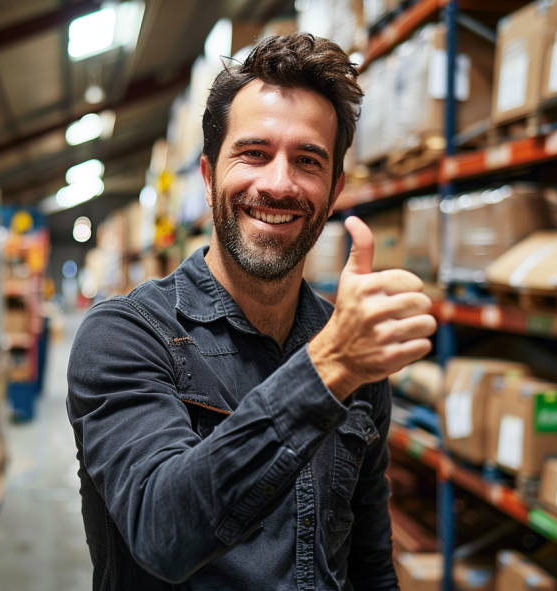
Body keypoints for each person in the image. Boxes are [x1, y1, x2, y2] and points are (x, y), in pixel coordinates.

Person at [66, 33, 436, 590]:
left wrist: (342, 360)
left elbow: (370, 562)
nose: (279, 183)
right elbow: (161, 532)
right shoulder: (126, 334)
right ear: (211, 175)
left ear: (333, 192)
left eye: (307, 161)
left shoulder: (353, 353)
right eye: (254, 153)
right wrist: (328, 370)